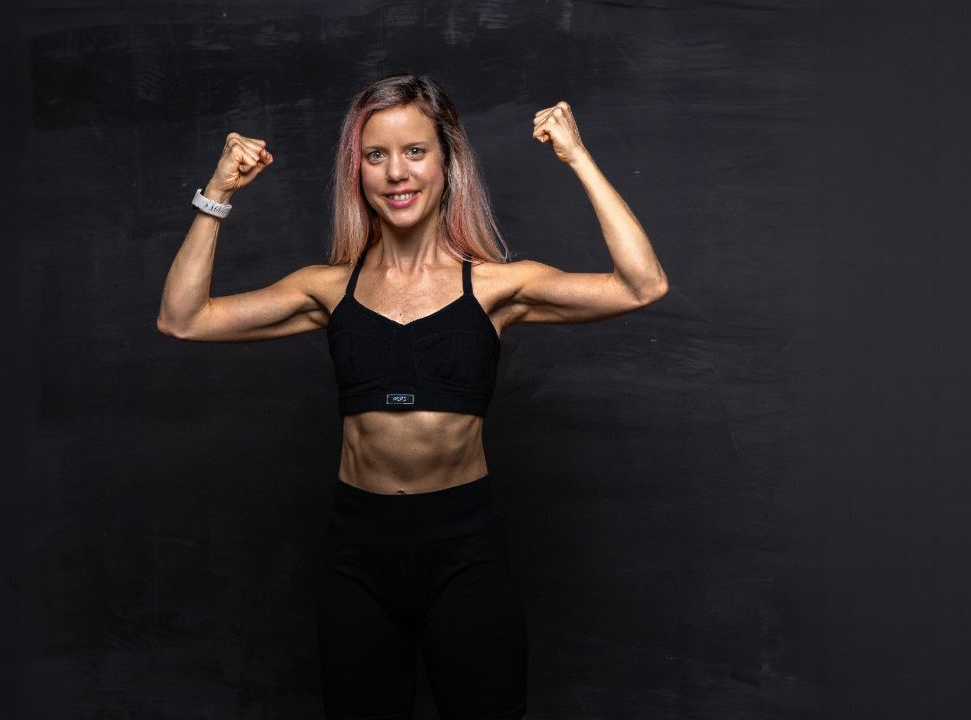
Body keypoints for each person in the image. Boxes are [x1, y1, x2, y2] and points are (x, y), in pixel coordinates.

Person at [157, 74, 666, 720]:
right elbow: (182, 318)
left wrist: (578, 158)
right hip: (358, 556)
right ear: (358, 170)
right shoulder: (327, 288)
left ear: (447, 161)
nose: (397, 173)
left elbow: (642, 284)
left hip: (465, 552)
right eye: (376, 156)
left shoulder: (495, 288)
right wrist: (219, 192)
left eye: (415, 152)